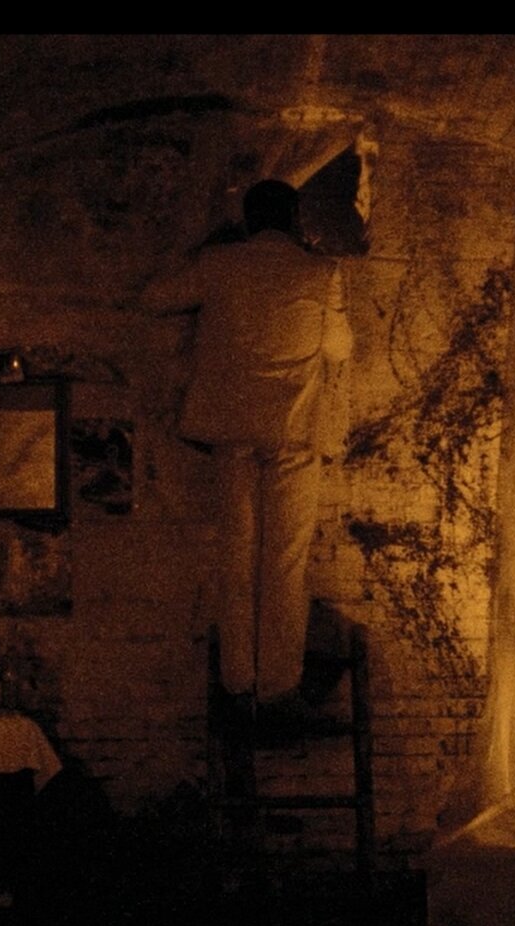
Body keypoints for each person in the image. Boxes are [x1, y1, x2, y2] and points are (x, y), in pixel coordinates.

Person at [142, 180, 352, 739]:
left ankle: (238, 684)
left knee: (236, 558)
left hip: (232, 433)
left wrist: (209, 242)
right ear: (295, 218)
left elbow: (154, 298)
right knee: (285, 563)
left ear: (247, 218)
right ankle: (278, 687)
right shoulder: (321, 272)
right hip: (294, 433)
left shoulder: (220, 265)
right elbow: (340, 348)